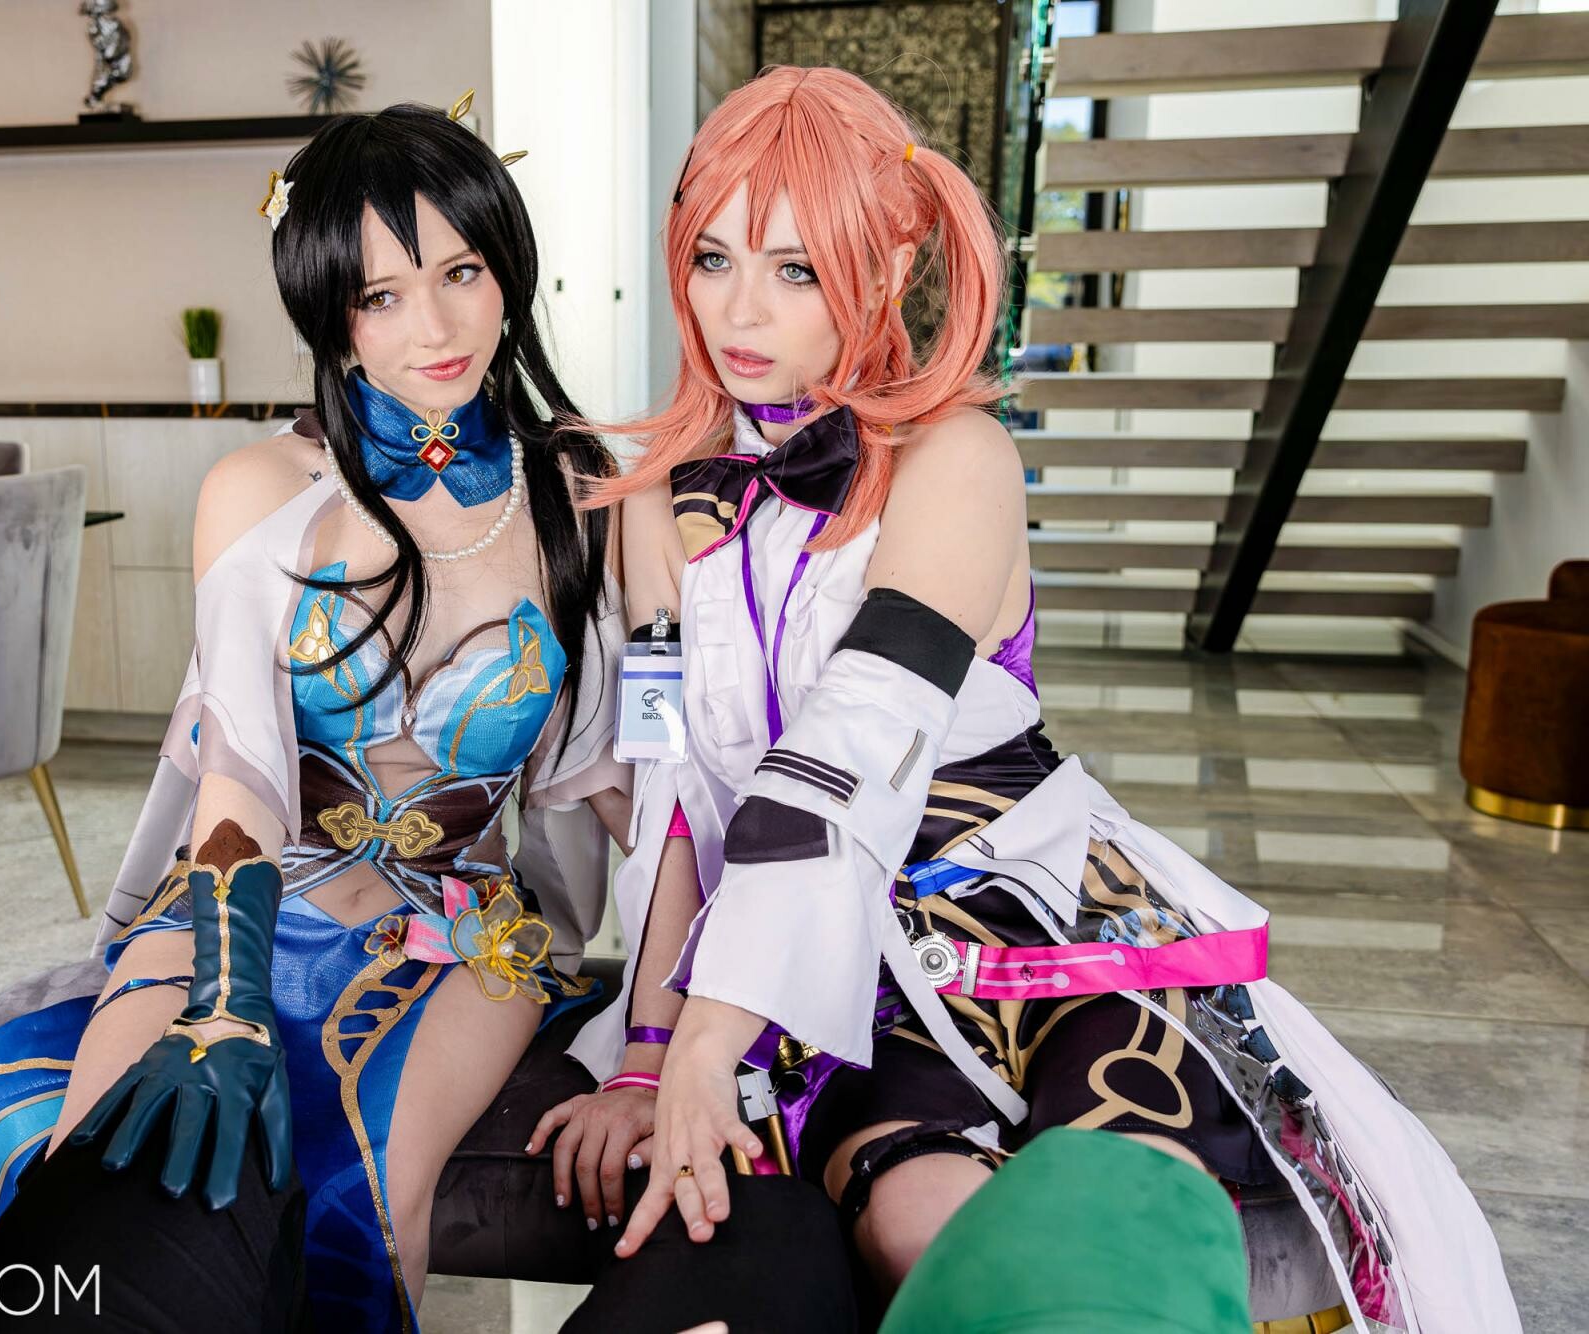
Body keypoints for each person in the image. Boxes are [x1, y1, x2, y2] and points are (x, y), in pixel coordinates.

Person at [561, 65, 1518, 1334]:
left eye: (796, 268)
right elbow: (680, 807)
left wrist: (703, 1041)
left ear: (891, 263)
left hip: (1045, 917)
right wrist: (648, 1051)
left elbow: (853, 737)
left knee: (1112, 1225)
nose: (740, 310)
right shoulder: (650, 503)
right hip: (833, 975)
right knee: (919, 1223)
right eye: (712, 256)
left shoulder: (955, 455)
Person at [0, 98, 631, 1334]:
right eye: (380, 296)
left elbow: (613, 782)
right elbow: (244, 776)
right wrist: (224, 997)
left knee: (365, 1200)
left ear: (507, 269)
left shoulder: (579, 494)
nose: (433, 327)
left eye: (460, 272)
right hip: (247, 895)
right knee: (113, 1168)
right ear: (330, 314)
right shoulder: (258, 489)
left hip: (468, 931)